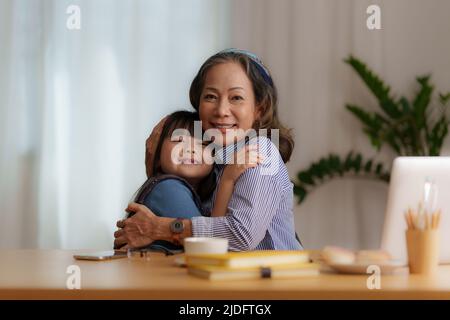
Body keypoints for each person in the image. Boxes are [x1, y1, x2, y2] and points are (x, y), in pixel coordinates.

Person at [114, 48, 302, 251]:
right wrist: (158, 162)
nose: (221, 111)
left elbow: (241, 236)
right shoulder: (215, 161)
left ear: (259, 109)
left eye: (236, 98)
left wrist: (161, 228)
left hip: (275, 280)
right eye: (211, 97)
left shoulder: (260, 152)